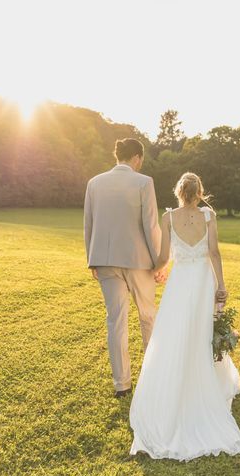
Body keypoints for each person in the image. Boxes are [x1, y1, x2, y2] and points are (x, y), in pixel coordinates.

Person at [129, 172, 240, 461]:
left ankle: (178, 384)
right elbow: (214, 253)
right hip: (202, 280)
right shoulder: (209, 216)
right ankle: (203, 383)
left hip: (180, 282)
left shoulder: (168, 218)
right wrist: (221, 284)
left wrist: (152, 269)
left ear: (179, 192)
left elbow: (163, 257)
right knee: (201, 332)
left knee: (175, 333)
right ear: (199, 192)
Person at [83, 138, 166, 398]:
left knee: (115, 321)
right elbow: (151, 225)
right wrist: (160, 262)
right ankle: (152, 379)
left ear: (117, 155)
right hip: (139, 261)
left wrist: (92, 259)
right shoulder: (144, 182)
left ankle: (122, 385)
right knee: (148, 317)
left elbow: (89, 224)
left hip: (105, 260)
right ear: (137, 158)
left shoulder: (94, 183)